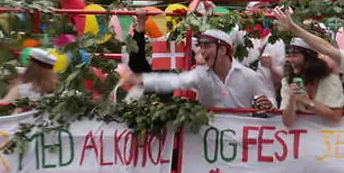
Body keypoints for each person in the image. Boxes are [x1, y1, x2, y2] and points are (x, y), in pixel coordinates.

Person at [116, 27, 275, 111]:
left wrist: (268, 104)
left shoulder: (249, 76)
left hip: (241, 143)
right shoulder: (201, 75)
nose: (202, 52)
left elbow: (270, 101)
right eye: (201, 47)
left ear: (222, 50)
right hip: (210, 146)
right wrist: (142, 80)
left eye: (207, 47)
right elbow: (174, 81)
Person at [279, 37, 344, 126]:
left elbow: (336, 117)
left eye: (294, 55)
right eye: (288, 56)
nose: (290, 60)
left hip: (328, 135)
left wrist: (306, 101)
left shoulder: (328, 79)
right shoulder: (287, 81)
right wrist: (291, 99)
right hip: (304, 136)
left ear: (309, 58)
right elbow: (287, 122)